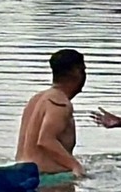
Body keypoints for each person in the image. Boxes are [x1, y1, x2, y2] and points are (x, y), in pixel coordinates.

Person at [14, 49, 87, 178]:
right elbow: (45, 140)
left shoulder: (37, 98)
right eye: (84, 70)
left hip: (22, 171)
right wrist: (75, 166)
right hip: (45, 180)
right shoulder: (59, 103)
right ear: (76, 72)